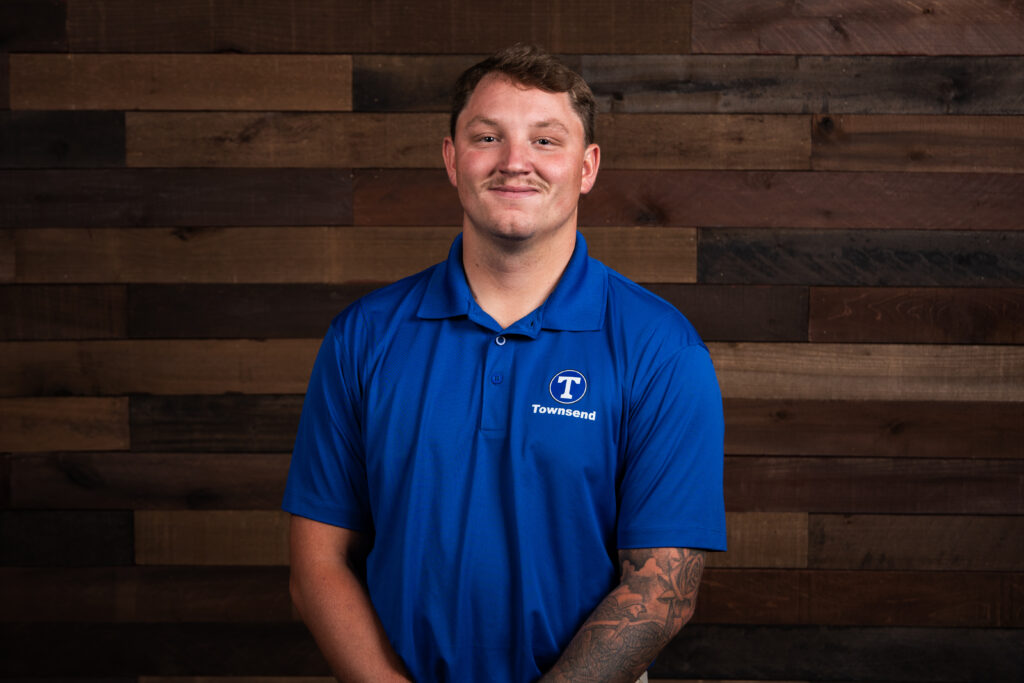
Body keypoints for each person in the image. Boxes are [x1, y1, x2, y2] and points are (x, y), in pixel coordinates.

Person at [283, 44, 726, 682]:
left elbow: (661, 593)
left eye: (546, 140)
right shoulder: (363, 337)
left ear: (587, 167)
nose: (516, 162)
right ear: (451, 158)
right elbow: (316, 569)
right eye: (488, 136)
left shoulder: (661, 348)